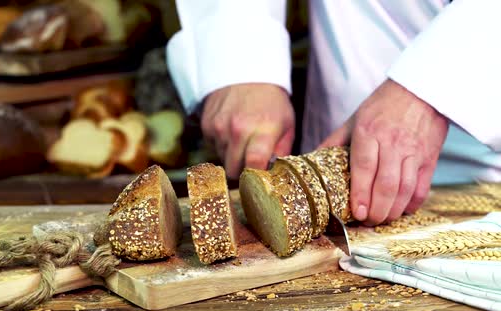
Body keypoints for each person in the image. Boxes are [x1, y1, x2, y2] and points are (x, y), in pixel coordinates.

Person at [166, 0, 501, 225]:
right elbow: (237, 38)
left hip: (486, 177)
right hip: (330, 163)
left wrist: (440, 80)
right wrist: (240, 47)